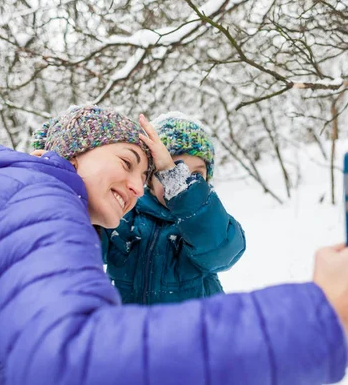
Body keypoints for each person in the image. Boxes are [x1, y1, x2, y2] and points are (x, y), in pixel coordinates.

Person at [0, 104, 348, 385]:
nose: (155, 184)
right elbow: (68, 352)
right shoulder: (85, 214)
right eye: (135, 166)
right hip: (142, 351)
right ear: (76, 153)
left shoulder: (195, 218)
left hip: (176, 350)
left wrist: (180, 184)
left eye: (179, 173)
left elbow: (224, 249)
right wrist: (322, 312)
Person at [102, 112, 245, 304]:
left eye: (196, 174)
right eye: (168, 170)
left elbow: (220, 253)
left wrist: (178, 183)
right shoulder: (127, 215)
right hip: (130, 328)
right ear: (149, 177)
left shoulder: (205, 220)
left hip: (195, 328)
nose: (181, 178)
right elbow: (85, 244)